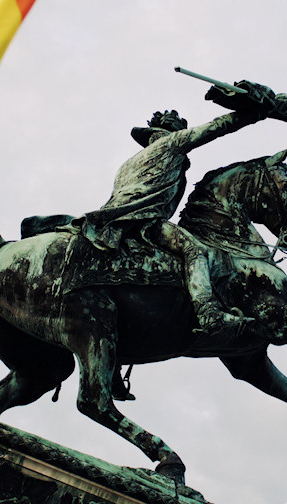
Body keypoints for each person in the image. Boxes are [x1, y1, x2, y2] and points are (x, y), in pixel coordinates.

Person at [69, 107, 267, 337]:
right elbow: (217, 126)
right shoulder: (172, 143)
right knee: (194, 250)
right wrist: (254, 112)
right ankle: (208, 312)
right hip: (146, 222)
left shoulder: (128, 163)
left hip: (112, 222)